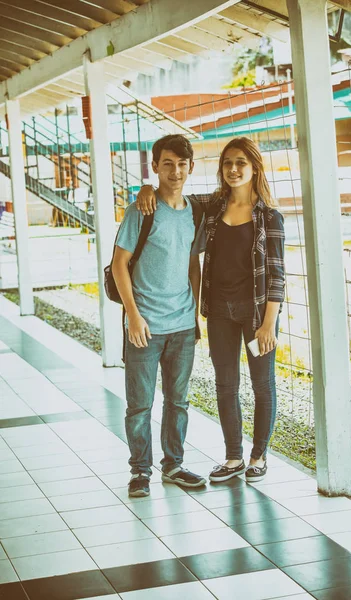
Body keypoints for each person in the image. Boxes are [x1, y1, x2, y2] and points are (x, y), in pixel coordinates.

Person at [136, 137, 285, 484]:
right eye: (228, 163)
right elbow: (172, 193)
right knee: (225, 384)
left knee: (263, 384)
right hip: (219, 310)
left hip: (256, 314)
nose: (233, 170)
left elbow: (277, 276)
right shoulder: (212, 206)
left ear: (254, 169)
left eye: (241, 164)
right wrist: (145, 187)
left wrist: (269, 324)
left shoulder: (269, 217)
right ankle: (233, 457)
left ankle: (259, 455)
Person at [112, 134, 207, 497]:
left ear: (191, 167)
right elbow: (119, 265)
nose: (175, 171)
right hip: (144, 326)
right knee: (139, 405)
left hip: (183, 325)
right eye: (167, 163)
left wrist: (196, 312)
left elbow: (192, 263)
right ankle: (140, 472)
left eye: (182, 164)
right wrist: (133, 316)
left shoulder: (195, 211)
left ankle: (174, 466)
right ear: (154, 167)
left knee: (178, 402)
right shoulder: (141, 211)